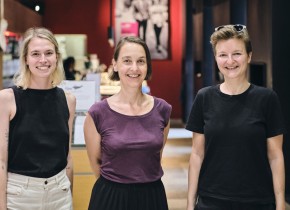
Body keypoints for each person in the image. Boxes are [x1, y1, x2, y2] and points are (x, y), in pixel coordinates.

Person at [186, 24, 285, 210]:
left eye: (237, 53)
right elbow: (197, 154)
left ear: (249, 56)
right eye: (222, 54)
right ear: (216, 58)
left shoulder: (267, 99)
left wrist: (280, 205)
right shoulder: (204, 97)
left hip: (257, 201)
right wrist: (190, 204)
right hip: (211, 201)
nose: (230, 61)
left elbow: (275, 156)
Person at [83, 36, 172, 210]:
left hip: (152, 196)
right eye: (127, 61)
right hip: (111, 197)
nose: (134, 68)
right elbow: (96, 163)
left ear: (147, 66)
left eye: (140, 61)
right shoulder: (97, 113)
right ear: (115, 64)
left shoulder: (163, 110)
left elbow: (155, 156)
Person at [0, 27, 76, 210]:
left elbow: (68, 157)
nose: (43, 60)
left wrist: (70, 195)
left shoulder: (68, 100)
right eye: (35, 54)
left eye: (49, 53)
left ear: (57, 57)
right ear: (26, 59)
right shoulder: (7, 99)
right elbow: (1, 161)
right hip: (19, 196)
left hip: (60, 194)